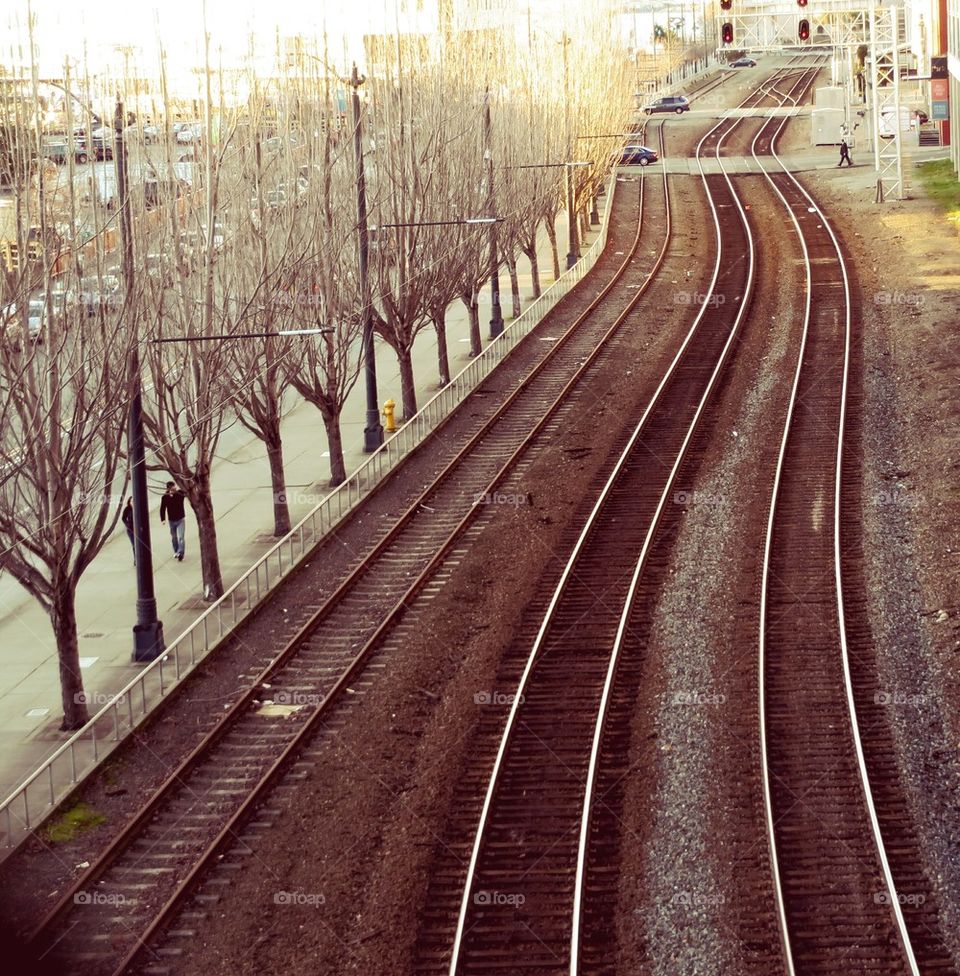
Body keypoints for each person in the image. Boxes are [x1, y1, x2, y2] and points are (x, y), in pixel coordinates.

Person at [159, 481, 187, 561]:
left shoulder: (179, 494)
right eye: (171, 489)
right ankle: (176, 551)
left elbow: (185, 491)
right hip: (172, 520)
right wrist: (163, 519)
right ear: (168, 489)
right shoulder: (165, 497)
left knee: (181, 537)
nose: (173, 490)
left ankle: (181, 553)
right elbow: (162, 509)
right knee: (174, 537)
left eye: (174, 488)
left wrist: (179, 488)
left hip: (180, 519)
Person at [121, 497, 135, 562]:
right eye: (131, 501)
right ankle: (136, 559)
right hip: (130, 529)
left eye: (134, 501)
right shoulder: (127, 509)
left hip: (138, 529)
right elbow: (123, 518)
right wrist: (127, 524)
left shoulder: (138, 508)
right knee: (134, 545)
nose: (133, 503)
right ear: (129, 502)